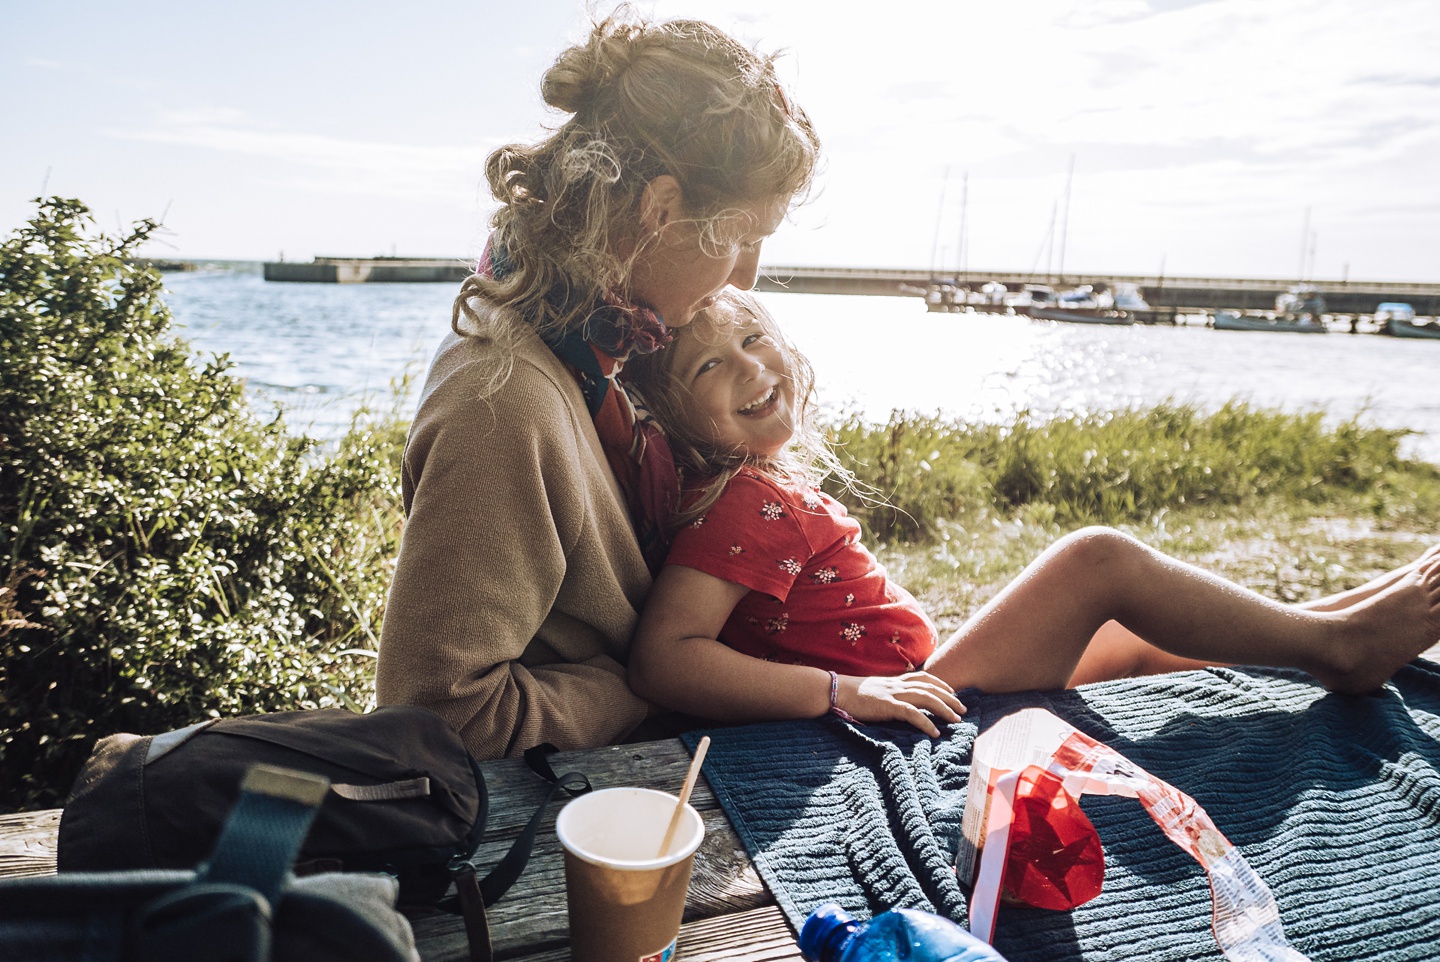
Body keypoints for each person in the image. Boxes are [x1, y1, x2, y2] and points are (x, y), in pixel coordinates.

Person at [623, 291, 1440, 737]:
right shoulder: (744, 502)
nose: (750, 367)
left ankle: (1343, 619)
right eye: (707, 365)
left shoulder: (758, 484)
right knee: (1099, 561)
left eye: (755, 339)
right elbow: (664, 661)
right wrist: (841, 694)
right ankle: (1342, 646)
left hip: (923, 679)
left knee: (1137, 641)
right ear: (677, 414)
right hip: (920, 696)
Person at [375, 10, 820, 758]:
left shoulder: (610, 339)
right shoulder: (502, 403)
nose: (743, 278)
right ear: (660, 210)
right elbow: (441, 718)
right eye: (742, 239)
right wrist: (640, 681)